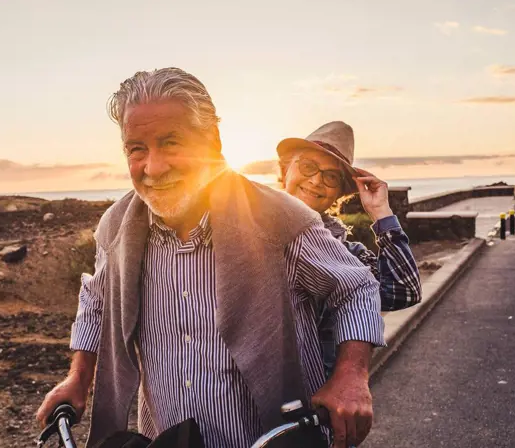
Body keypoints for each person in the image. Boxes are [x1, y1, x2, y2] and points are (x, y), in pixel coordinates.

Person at [37, 68, 385, 448]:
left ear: (213, 141)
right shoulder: (117, 227)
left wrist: (351, 375)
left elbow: (355, 287)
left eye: (171, 143)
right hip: (168, 439)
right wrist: (79, 377)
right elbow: (96, 301)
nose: (153, 167)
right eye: (137, 149)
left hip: (272, 438)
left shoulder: (280, 218)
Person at [276, 121, 422, 376]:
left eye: (331, 176)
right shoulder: (242, 229)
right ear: (286, 169)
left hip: (313, 400)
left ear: (339, 194)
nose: (316, 180)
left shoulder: (346, 254)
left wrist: (380, 212)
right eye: (308, 166)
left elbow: (403, 291)